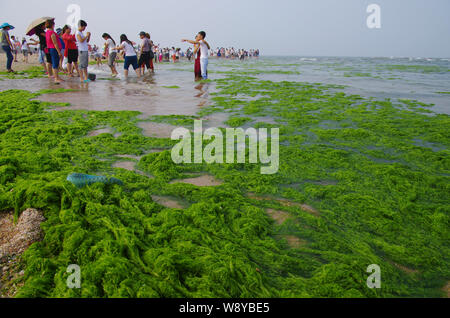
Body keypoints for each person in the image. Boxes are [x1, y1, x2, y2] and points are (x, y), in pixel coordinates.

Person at [45, 19, 63, 84]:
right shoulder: (51, 33)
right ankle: (56, 78)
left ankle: (57, 77)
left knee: (55, 63)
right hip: (53, 49)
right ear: (52, 25)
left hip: (50, 49)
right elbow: (55, 43)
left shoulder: (47, 32)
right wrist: (59, 52)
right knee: (55, 63)